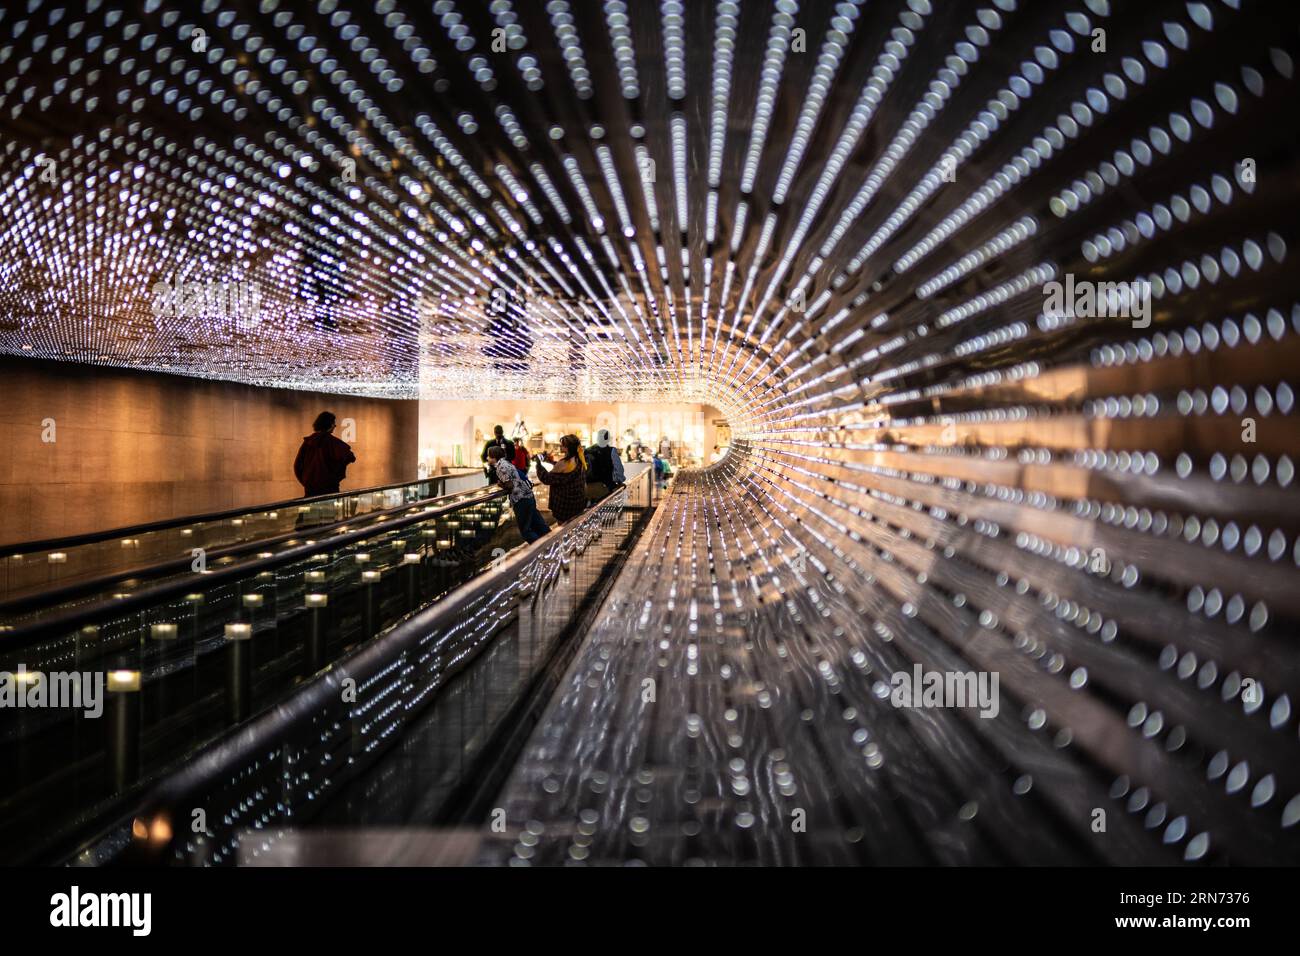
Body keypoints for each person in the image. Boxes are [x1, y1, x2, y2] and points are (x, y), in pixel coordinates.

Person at [488, 445, 549, 543]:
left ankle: (541, 549)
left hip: (521, 500)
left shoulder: (500, 467)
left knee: (526, 531)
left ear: (494, 457)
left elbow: (510, 485)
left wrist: (500, 484)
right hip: (528, 496)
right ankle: (550, 544)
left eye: (489, 456)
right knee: (539, 526)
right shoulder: (506, 463)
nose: (487, 458)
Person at [294, 411, 356, 497]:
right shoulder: (331, 441)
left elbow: (297, 465)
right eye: (333, 423)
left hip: (310, 488)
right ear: (329, 424)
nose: (335, 425)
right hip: (329, 487)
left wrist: (306, 481)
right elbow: (350, 457)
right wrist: (335, 472)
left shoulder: (308, 442)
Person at [534, 434, 588, 522]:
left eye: (562, 445)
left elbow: (546, 478)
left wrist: (538, 464)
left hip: (564, 506)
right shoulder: (579, 460)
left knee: (563, 527)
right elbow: (563, 470)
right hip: (577, 504)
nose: (560, 446)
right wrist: (549, 460)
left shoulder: (563, 463)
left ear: (568, 448)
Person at [586, 428, 625, 499]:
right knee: (603, 508)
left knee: (589, 509)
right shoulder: (611, 451)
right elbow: (618, 468)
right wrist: (620, 481)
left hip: (587, 486)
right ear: (608, 439)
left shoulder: (587, 450)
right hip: (604, 487)